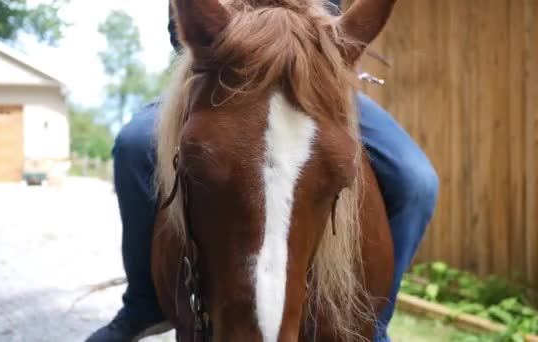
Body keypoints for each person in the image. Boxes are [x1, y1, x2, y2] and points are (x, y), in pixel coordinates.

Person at [86, 1, 439, 341]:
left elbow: (331, 8)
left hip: (313, 68)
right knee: (132, 145)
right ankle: (143, 303)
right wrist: (220, 34)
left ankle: (375, 322)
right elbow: (180, 23)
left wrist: (319, 41)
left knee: (416, 180)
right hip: (229, 67)